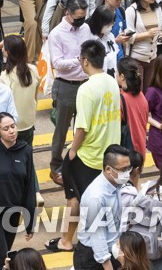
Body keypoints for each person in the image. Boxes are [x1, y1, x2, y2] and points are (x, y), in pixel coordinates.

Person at [52, 39, 121, 254]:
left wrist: (72, 152)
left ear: (85, 61)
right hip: (109, 154)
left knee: (74, 198)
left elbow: (81, 127)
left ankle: (66, 241)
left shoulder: (86, 88)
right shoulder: (112, 81)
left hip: (88, 154)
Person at [0, 112, 35, 270]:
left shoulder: (26, 151)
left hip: (13, 212)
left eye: (13, 126)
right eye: (6, 128)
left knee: (2, 255)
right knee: (3, 256)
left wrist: (30, 221)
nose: (11, 131)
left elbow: (29, 186)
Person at [73, 144, 132, 270]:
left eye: (129, 168)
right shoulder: (96, 197)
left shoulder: (115, 184)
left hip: (112, 249)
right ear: (108, 169)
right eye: (123, 169)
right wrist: (107, 265)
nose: (127, 173)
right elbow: (97, 237)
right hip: (93, 257)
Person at [0, 34, 40, 146]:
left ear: (7, 53)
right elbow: (35, 97)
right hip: (29, 122)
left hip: (11, 126)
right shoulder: (33, 70)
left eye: (4, 47)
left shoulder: (4, 77)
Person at [124, 0, 162, 89]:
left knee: (149, 90)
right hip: (137, 58)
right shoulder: (131, 11)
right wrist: (147, 34)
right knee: (138, 90)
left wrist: (160, 35)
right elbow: (128, 37)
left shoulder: (157, 8)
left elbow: (161, 27)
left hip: (153, 56)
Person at [117, 58, 149, 159]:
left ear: (122, 77)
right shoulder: (142, 96)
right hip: (140, 150)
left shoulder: (121, 99)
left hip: (127, 151)